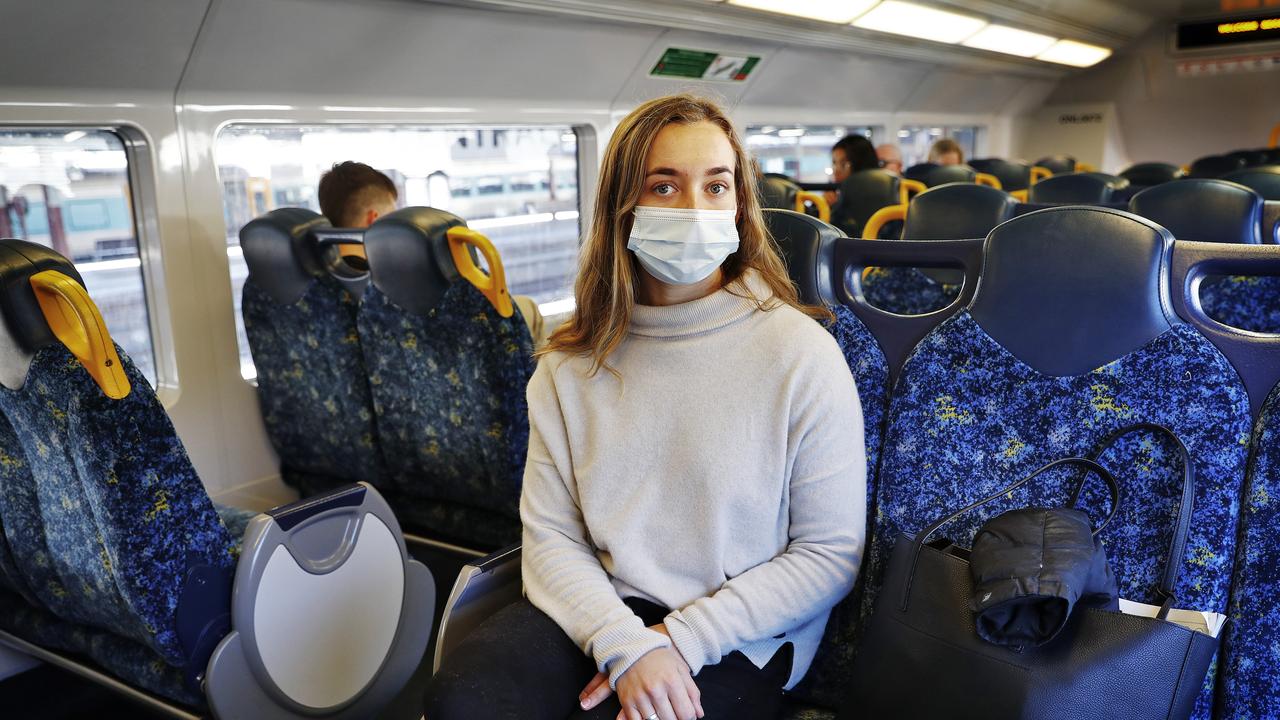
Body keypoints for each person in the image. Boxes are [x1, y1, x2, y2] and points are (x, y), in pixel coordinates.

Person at [423, 93, 867, 720]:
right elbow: (550, 537)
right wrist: (625, 644)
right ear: (622, 207)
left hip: (744, 632)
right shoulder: (569, 363)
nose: (694, 208)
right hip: (602, 606)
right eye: (665, 187)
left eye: (716, 187)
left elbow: (828, 555)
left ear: (740, 206)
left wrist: (681, 641)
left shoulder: (799, 354)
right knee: (463, 702)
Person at [824, 134, 879, 207]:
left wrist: (836, 207)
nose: (836, 171)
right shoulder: (837, 195)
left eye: (844, 164)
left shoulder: (874, 198)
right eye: (834, 163)